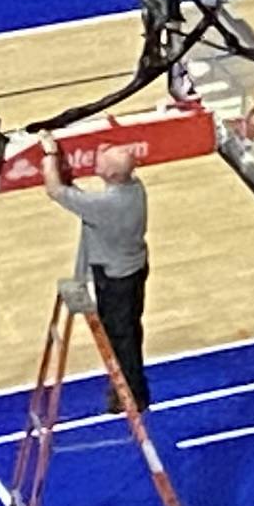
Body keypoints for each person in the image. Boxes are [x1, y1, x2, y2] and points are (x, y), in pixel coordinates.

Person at [46, 143, 153, 407]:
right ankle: (129, 386)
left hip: (116, 278)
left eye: (102, 162)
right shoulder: (134, 188)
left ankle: (132, 395)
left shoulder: (108, 204)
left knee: (120, 337)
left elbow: (55, 191)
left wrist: (49, 155)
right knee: (130, 330)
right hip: (134, 267)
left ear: (113, 174)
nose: (97, 161)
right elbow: (84, 201)